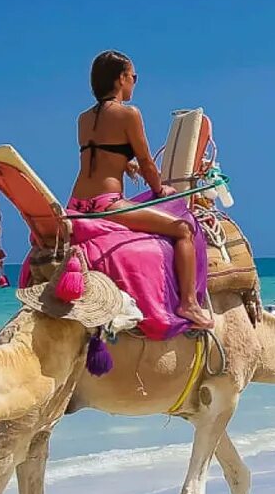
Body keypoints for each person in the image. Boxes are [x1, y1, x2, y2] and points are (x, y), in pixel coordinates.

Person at [71, 50, 215, 331]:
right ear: (121, 78)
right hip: (106, 205)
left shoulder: (83, 118)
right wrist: (159, 187)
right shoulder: (129, 114)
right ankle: (188, 303)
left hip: (76, 204)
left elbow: (99, 155)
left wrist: (127, 166)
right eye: (133, 76)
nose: (135, 82)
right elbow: (149, 163)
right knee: (183, 228)